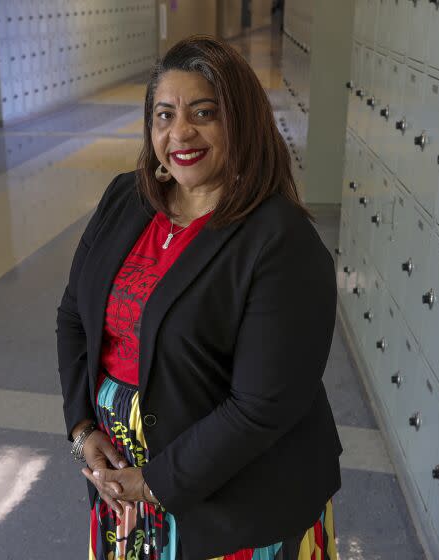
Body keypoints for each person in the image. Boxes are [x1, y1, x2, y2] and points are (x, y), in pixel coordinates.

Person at [56, 34, 341, 560]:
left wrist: (153, 482)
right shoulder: (126, 197)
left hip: (239, 504)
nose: (180, 131)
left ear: (241, 122)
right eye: (163, 115)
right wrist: (82, 428)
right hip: (122, 483)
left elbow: (261, 407)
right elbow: (75, 314)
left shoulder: (280, 241)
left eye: (203, 113)